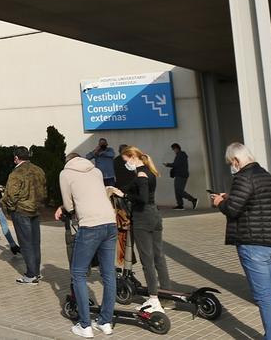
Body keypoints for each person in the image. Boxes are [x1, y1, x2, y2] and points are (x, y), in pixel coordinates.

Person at [211, 143, 271, 340]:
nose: (231, 166)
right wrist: (230, 197)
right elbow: (252, 201)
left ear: (236, 161)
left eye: (231, 162)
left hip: (253, 244)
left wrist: (221, 202)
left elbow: (233, 210)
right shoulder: (265, 176)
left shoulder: (243, 178)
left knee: (264, 297)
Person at [57, 152, 118, 338]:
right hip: (110, 221)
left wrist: (69, 210)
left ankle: (85, 325)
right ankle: (105, 322)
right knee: (108, 273)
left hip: (90, 225)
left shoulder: (65, 173)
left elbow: (68, 205)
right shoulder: (96, 171)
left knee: (78, 273)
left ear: (67, 161)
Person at [121, 145, 171, 313]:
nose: (125, 164)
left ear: (133, 157)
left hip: (143, 218)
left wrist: (125, 195)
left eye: (126, 160)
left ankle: (153, 298)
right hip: (155, 215)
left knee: (147, 259)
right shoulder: (150, 171)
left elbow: (141, 198)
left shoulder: (141, 174)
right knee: (159, 256)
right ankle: (167, 296)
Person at [3, 146, 47, 284]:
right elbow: (44, 191)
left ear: (16, 158)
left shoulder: (16, 173)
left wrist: (10, 209)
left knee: (26, 243)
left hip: (21, 211)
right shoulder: (39, 170)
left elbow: (11, 194)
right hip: (35, 210)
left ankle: (31, 274)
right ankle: (36, 272)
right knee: (35, 243)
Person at [165, 142, 198, 210]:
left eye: (173, 149)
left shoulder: (180, 155)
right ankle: (180, 205)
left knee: (179, 190)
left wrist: (167, 164)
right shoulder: (180, 155)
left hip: (181, 175)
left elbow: (176, 164)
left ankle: (193, 200)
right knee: (177, 190)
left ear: (176, 148)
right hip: (180, 175)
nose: (173, 151)